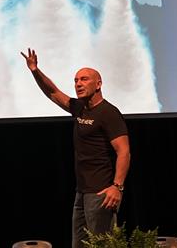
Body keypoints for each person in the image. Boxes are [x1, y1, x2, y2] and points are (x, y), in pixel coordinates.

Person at [21, 48, 130, 248]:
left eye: (84, 79)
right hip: (82, 192)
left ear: (98, 84)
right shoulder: (79, 107)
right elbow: (53, 92)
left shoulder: (109, 113)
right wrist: (35, 70)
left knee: (102, 245)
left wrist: (117, 187)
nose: (78, 84)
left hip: (101, 193)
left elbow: (124, 151)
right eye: (76, 80)